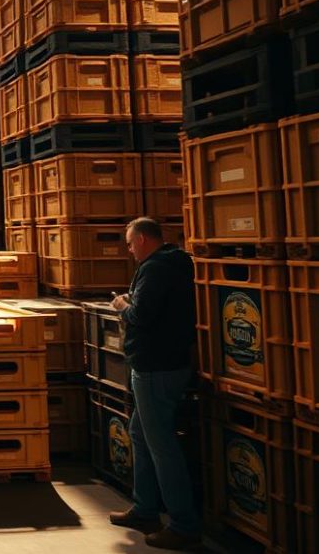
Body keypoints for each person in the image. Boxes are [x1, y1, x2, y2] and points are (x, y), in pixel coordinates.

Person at [108, 217, 200, 550]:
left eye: (130, 244)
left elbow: (141, 315)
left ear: (143, 240)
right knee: (139, 433)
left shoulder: (155, 268)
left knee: (162, 445)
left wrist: (122, 306)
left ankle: (183, 525)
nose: (129, 250)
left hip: (154, 367)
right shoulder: (174, 262)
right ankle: (145, 509)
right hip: (167, 364)